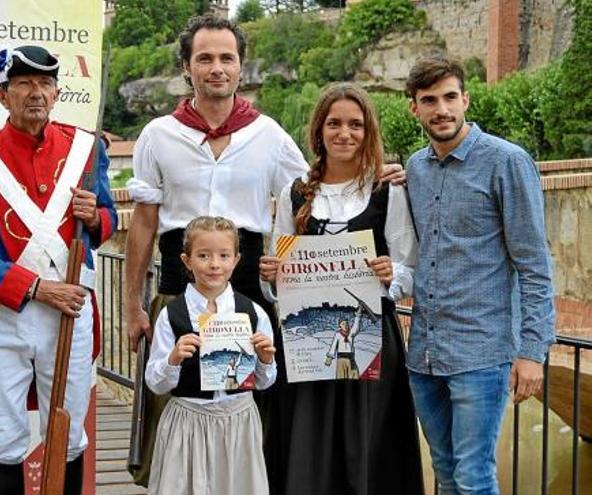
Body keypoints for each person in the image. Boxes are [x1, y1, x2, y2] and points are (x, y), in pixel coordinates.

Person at [123, 14, 405, 488]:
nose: (217, 67)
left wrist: (375, 175)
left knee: (255, 421)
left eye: (226, 58)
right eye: (205, 58)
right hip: (178, 292)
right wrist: (132, 304)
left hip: (251, 292)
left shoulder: (269, 135)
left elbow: (315, 187)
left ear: (240, 66)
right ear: (187, 67)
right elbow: (144, 223)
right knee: (171, 412)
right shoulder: (157, 134)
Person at [0, 45, 117, 494]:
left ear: (57, 92)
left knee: (66, 432)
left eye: (45, 84)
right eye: (24, 84)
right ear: (3, 97)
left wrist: (95, 217)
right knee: (4, 436)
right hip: (4, 312)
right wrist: (36, 289)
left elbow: (107, 218)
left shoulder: (86, 148)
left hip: (69, 312)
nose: (36, 93)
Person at [258, 82, 424, 494]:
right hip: (305, 339)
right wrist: (273, 274)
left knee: (365, 446)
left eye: (355, 124)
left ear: (368, 132)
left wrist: (392, 274)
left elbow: (411, 268)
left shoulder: (388, 190)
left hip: (370, 337)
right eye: (334, 123)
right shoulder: (295, 192)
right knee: (307, 446)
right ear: (319, 130)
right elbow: (277, 276)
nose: (344, 133)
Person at [404, 55, 555, 494]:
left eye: (450, 97)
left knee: (474, 476)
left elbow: (534, 266)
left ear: (466, 99)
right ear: (414, 107)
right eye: (429, 100)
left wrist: (532, 351)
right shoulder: (415, 168)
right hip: (425, 354)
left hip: (482, 353)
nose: (442, 109)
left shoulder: (506, 161)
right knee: (445, 471)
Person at [145, 216, 277, 495]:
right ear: (187, 260)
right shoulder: (172, 314)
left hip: (238, 421)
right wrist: (173, 359)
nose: (214, 264)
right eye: (203, 255)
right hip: (188, 421)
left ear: (236, 260)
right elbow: (155, 383)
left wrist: (265, 359)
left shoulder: (253, 313)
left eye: (223, 255)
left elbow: (265, 382)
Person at [324, 308, 363, 379]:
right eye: (343, 324)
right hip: (341, 360)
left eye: (346, 323)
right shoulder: (338, 335)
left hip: (351, 359)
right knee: (341, 377)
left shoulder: (351, 333)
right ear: (340, 326)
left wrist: (358, 315)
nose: (345, 325)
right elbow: (333, 346)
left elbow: (356, 326)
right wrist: (329, 357)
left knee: (354, 376)